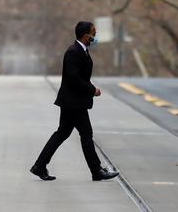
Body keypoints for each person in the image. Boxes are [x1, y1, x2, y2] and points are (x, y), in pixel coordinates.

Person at [30, 21, 119, 182]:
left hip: (73, 101)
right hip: (73, 102)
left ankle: (39, 166)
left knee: (62, 133)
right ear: (86, 36)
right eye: (94, 34)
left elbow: (79, 77)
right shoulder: (73, 51)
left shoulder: (81, 51)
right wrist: (92, 90)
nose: (95, 37)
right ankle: (96, 170)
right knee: (86, 134)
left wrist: (90, 88)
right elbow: (73, 77)